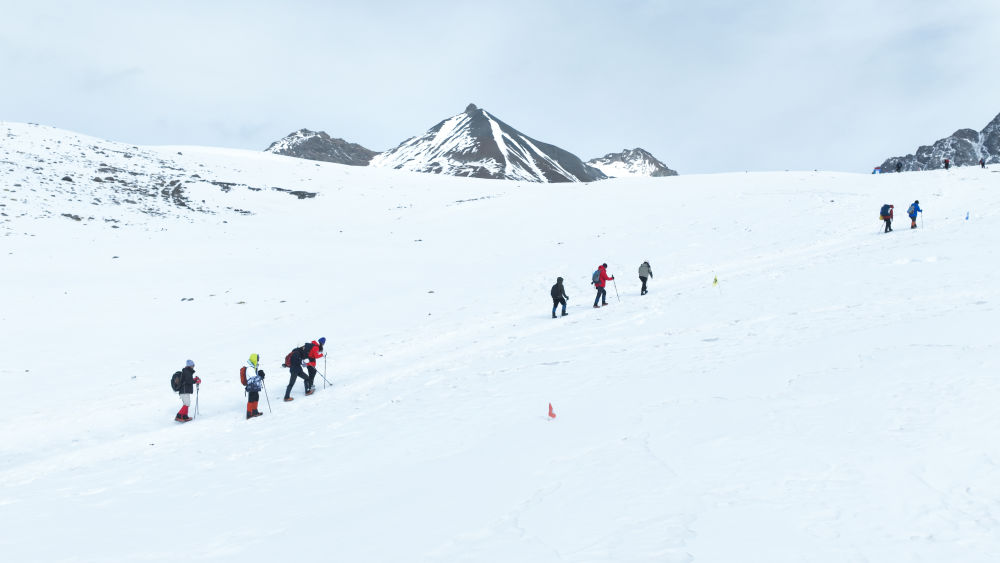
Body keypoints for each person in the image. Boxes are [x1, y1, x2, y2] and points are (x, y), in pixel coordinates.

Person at [243, 353, 265, 419]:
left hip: (254, 386)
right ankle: (249, 414)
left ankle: (255, 412)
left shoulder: (253, 367)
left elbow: (255, 376)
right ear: (254, 359)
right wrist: (261, 376)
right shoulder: (250, 368)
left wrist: (259, 373)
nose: (258, 360)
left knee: (256, 397)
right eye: (257, 359)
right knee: (251, 399)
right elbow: (254, 378)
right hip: (251, 385)